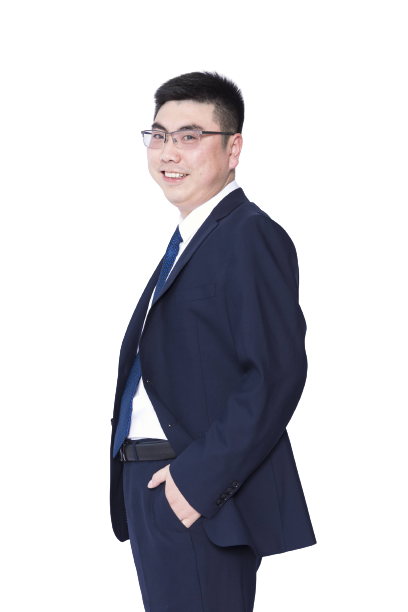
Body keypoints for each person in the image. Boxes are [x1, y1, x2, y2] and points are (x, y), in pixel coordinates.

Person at [110, 70, 316, 612]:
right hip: (149, 481)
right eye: (159, 135)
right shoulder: (187, 237)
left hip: (197, 489)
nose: (168, 152)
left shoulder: (248, 233)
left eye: (190, 136)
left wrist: (195, 483)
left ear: (234, 149)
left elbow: (275, 374)